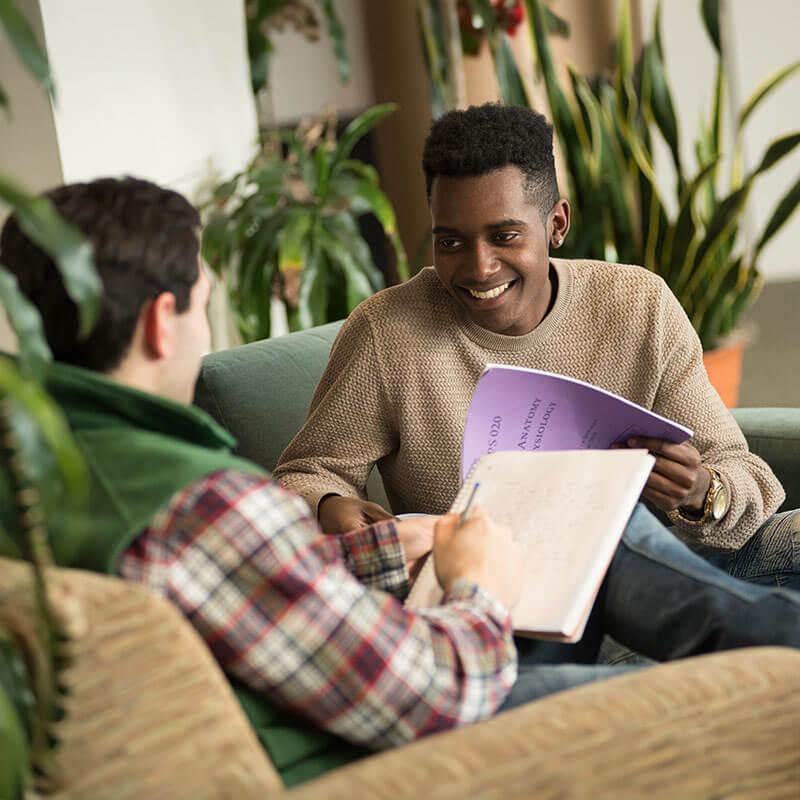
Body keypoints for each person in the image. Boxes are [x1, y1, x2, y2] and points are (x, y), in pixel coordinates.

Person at [2, 178, 800, 790]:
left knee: (594, 527)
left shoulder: (39, 468)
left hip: (329, 695)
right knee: (710, 649)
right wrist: (478, 587)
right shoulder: (196, 499)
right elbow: (438, 690)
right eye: (206, 305)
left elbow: (235, 589)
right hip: (383, 749)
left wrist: (397, 541)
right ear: (159, 322)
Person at [274, 103, 799, 590]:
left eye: (504, 236)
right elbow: (307, 472)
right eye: (450, 241)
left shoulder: (639, 304)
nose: (479, 267)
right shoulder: (387, 332)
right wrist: (329, 505)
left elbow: (743, 476)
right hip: (506, 598)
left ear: (557, 224)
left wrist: (702, 493)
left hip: (659, 569)